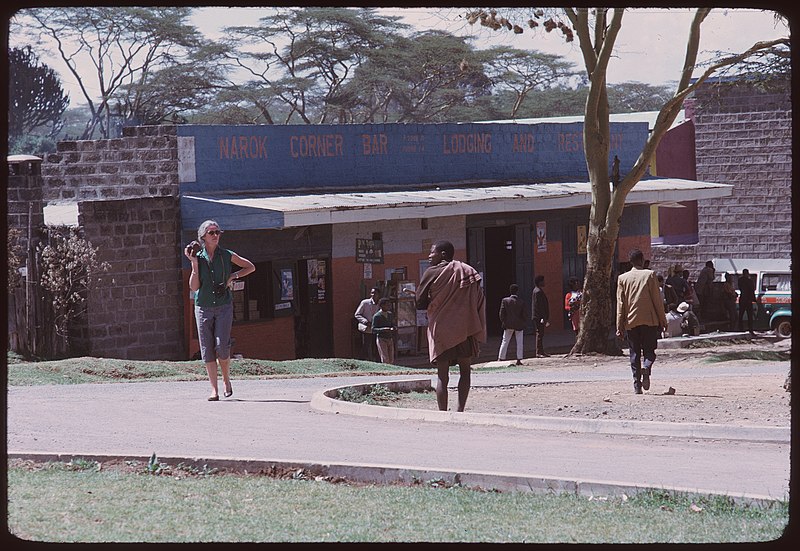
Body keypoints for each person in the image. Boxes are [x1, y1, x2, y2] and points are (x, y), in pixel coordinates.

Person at [185, 220, 255, 401]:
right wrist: (193, 264)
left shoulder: (226, 255)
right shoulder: (198, 257)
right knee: (207, 349)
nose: (216, 236)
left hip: (223, 305)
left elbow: (250, 266)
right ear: (203, 237)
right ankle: (214, 389)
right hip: (203, 307)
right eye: (212, 233)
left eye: (217, 232)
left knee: (222, 346)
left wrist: (233, 275)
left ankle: (226, 380)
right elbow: (194, 288)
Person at [416, 240, 486, 412]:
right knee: (465, 371)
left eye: (432, 252)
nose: (429, 256)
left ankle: (442, 413)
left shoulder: (431, 272)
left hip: (442, 330)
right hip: (465, 328)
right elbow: (478, 298)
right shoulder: (467, 271)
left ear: (443, 254)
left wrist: (434, 301)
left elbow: (419, 302)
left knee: (442, 375)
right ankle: (460, 410)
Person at [616, 248, 668, 394]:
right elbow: (657, 300)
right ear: (642, 260)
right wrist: (663, 320)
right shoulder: (650, 275)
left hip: (631, 321)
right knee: (650, 350)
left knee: (634, 353)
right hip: (649, 320)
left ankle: (637, 385)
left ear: (630, 262)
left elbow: (621, 304)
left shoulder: (622, 278)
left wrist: (619, 326)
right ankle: (647, 366)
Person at [498, 284, 526, 365]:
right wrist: (523, 322)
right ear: (517, 291)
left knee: (505, 341)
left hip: (508, 324)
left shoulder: (505, 300)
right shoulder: (521, 302)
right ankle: (519, 359)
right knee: (519, 342)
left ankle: (501, 358)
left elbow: (501, 313)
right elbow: (524, 314)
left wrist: (504, 321)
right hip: (519, 324)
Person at [355, 287, 381, 361]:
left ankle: (378, 361)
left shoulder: (380, 304)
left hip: (377, 328)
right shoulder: (365, 303)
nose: (373, 295)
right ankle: (362, 359)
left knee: (377, 345)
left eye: (375, 293)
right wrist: (365, 321)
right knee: (366, 344)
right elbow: (357, 314)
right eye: (372, 293)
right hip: (367, 328)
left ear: (378, 295)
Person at [372, 297, 396, 364]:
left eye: (389, 305)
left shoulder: (390, 314)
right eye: (387, 305)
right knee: (385, 358)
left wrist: (394, 328)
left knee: (391, 358)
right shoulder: (377, 316)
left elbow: (393, 324)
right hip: (381, 338)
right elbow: (373, 329)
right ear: (382, 305)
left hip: (390, 338)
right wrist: (383, 329)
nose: (389, 307)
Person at [531, 275, 550, 357]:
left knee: (541, 333)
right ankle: (538, 352)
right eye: (543, 281)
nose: (544, 282)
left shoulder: (538, 291)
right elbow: (539, 306)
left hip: (540, 316)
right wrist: (543, 317)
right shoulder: (537, 292)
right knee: (539, 333)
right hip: (539, 317)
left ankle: (541, 351)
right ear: (540, 282)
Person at [738, 268, 757, 335]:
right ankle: (750, 330)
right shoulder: (749, 281)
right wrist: (754, 299)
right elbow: (752, 290)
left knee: (741, 315)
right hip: (748, 300)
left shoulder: (740, 280)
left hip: (742, 298)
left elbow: (740, 288)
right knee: (749, 316)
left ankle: (740, 328)